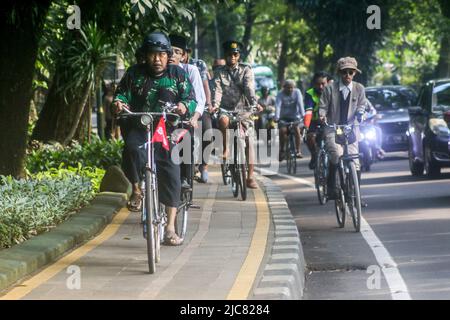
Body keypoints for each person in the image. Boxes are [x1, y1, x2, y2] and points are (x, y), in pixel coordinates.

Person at [113, 31, 197, 246]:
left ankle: (170, 227)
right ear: (145, 55)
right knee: (131, 149)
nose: (157, 59)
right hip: (140, 128)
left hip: (167, 131)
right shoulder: (133, 74)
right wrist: (119, 103)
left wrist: (184, 106)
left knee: (171, 172)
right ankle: (137, 190)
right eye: (152, 54)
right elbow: (121, 95)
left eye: (161, 54)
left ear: (168, 55)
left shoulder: (178, 74)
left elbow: (190, 99)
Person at [212, 39, 263, 189]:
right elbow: (218, 91)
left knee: (249, 142)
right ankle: (226, 148)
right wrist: (215, 105)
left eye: (235, 54)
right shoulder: (219, 72)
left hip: (244, 109)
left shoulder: (246, 69)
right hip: (226, 108)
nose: (232, 57)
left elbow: (249, 88)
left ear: (238, 56)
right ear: (226, 56)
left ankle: (250, 177)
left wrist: (255, 104)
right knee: (223, 121)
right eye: (229, 55)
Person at [318, 56, 366, 203]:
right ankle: (332, 188)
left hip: (351, 128)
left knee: (355, 160)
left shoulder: (359, 88)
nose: (348, 76)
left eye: (351, 72)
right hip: (334, 127)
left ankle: (355, 196)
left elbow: (362, 105)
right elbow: (323, 106)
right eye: (344, 72)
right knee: (336, 154)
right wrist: (322, 116)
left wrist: (360, 113)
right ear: (339, 73)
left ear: (355, 73)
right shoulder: (329, 89)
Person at [168, 34, 206, 189]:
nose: (172, 55)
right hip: (162, 118)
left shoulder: (191, 70)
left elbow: (200, 98)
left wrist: (195, 117)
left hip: (185, 117)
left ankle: (185, 177)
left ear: (183, 56)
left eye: (176, 52)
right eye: (168, 51)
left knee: (186, 139)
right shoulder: (159, 70)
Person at [183, 42, 214, 183]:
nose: (178, 55)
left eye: (181, 52)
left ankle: (204, 166)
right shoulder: (168, 65)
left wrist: (208, 104)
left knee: (208, 132)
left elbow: (205, 85)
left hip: (199, 105)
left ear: (186, 53)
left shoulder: (198, 65)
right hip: (180, 108)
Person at [275, 79, 305, 160]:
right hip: (283, 118)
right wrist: (277, 117)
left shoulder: (297, 92)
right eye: (288, 88)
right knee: (282, 131)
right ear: (284, 87)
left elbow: (300, 104)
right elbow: (278, 106)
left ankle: (298, 150)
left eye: (291, 88)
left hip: (295, 117)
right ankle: (282, 150)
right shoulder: (280, 94)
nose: (290, 90)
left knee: (297, 129)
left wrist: (303, 116)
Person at [304, 71, 328, 169]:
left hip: (328, 121)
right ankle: (314, 155)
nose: (321, 87)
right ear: (314, 84)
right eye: (318, 84)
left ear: (327, 83)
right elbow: (308, 111)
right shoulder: (310, 93)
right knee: (309, 137)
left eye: (323, 84)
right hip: (313, 121)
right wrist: (306, 126)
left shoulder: (332, 91)